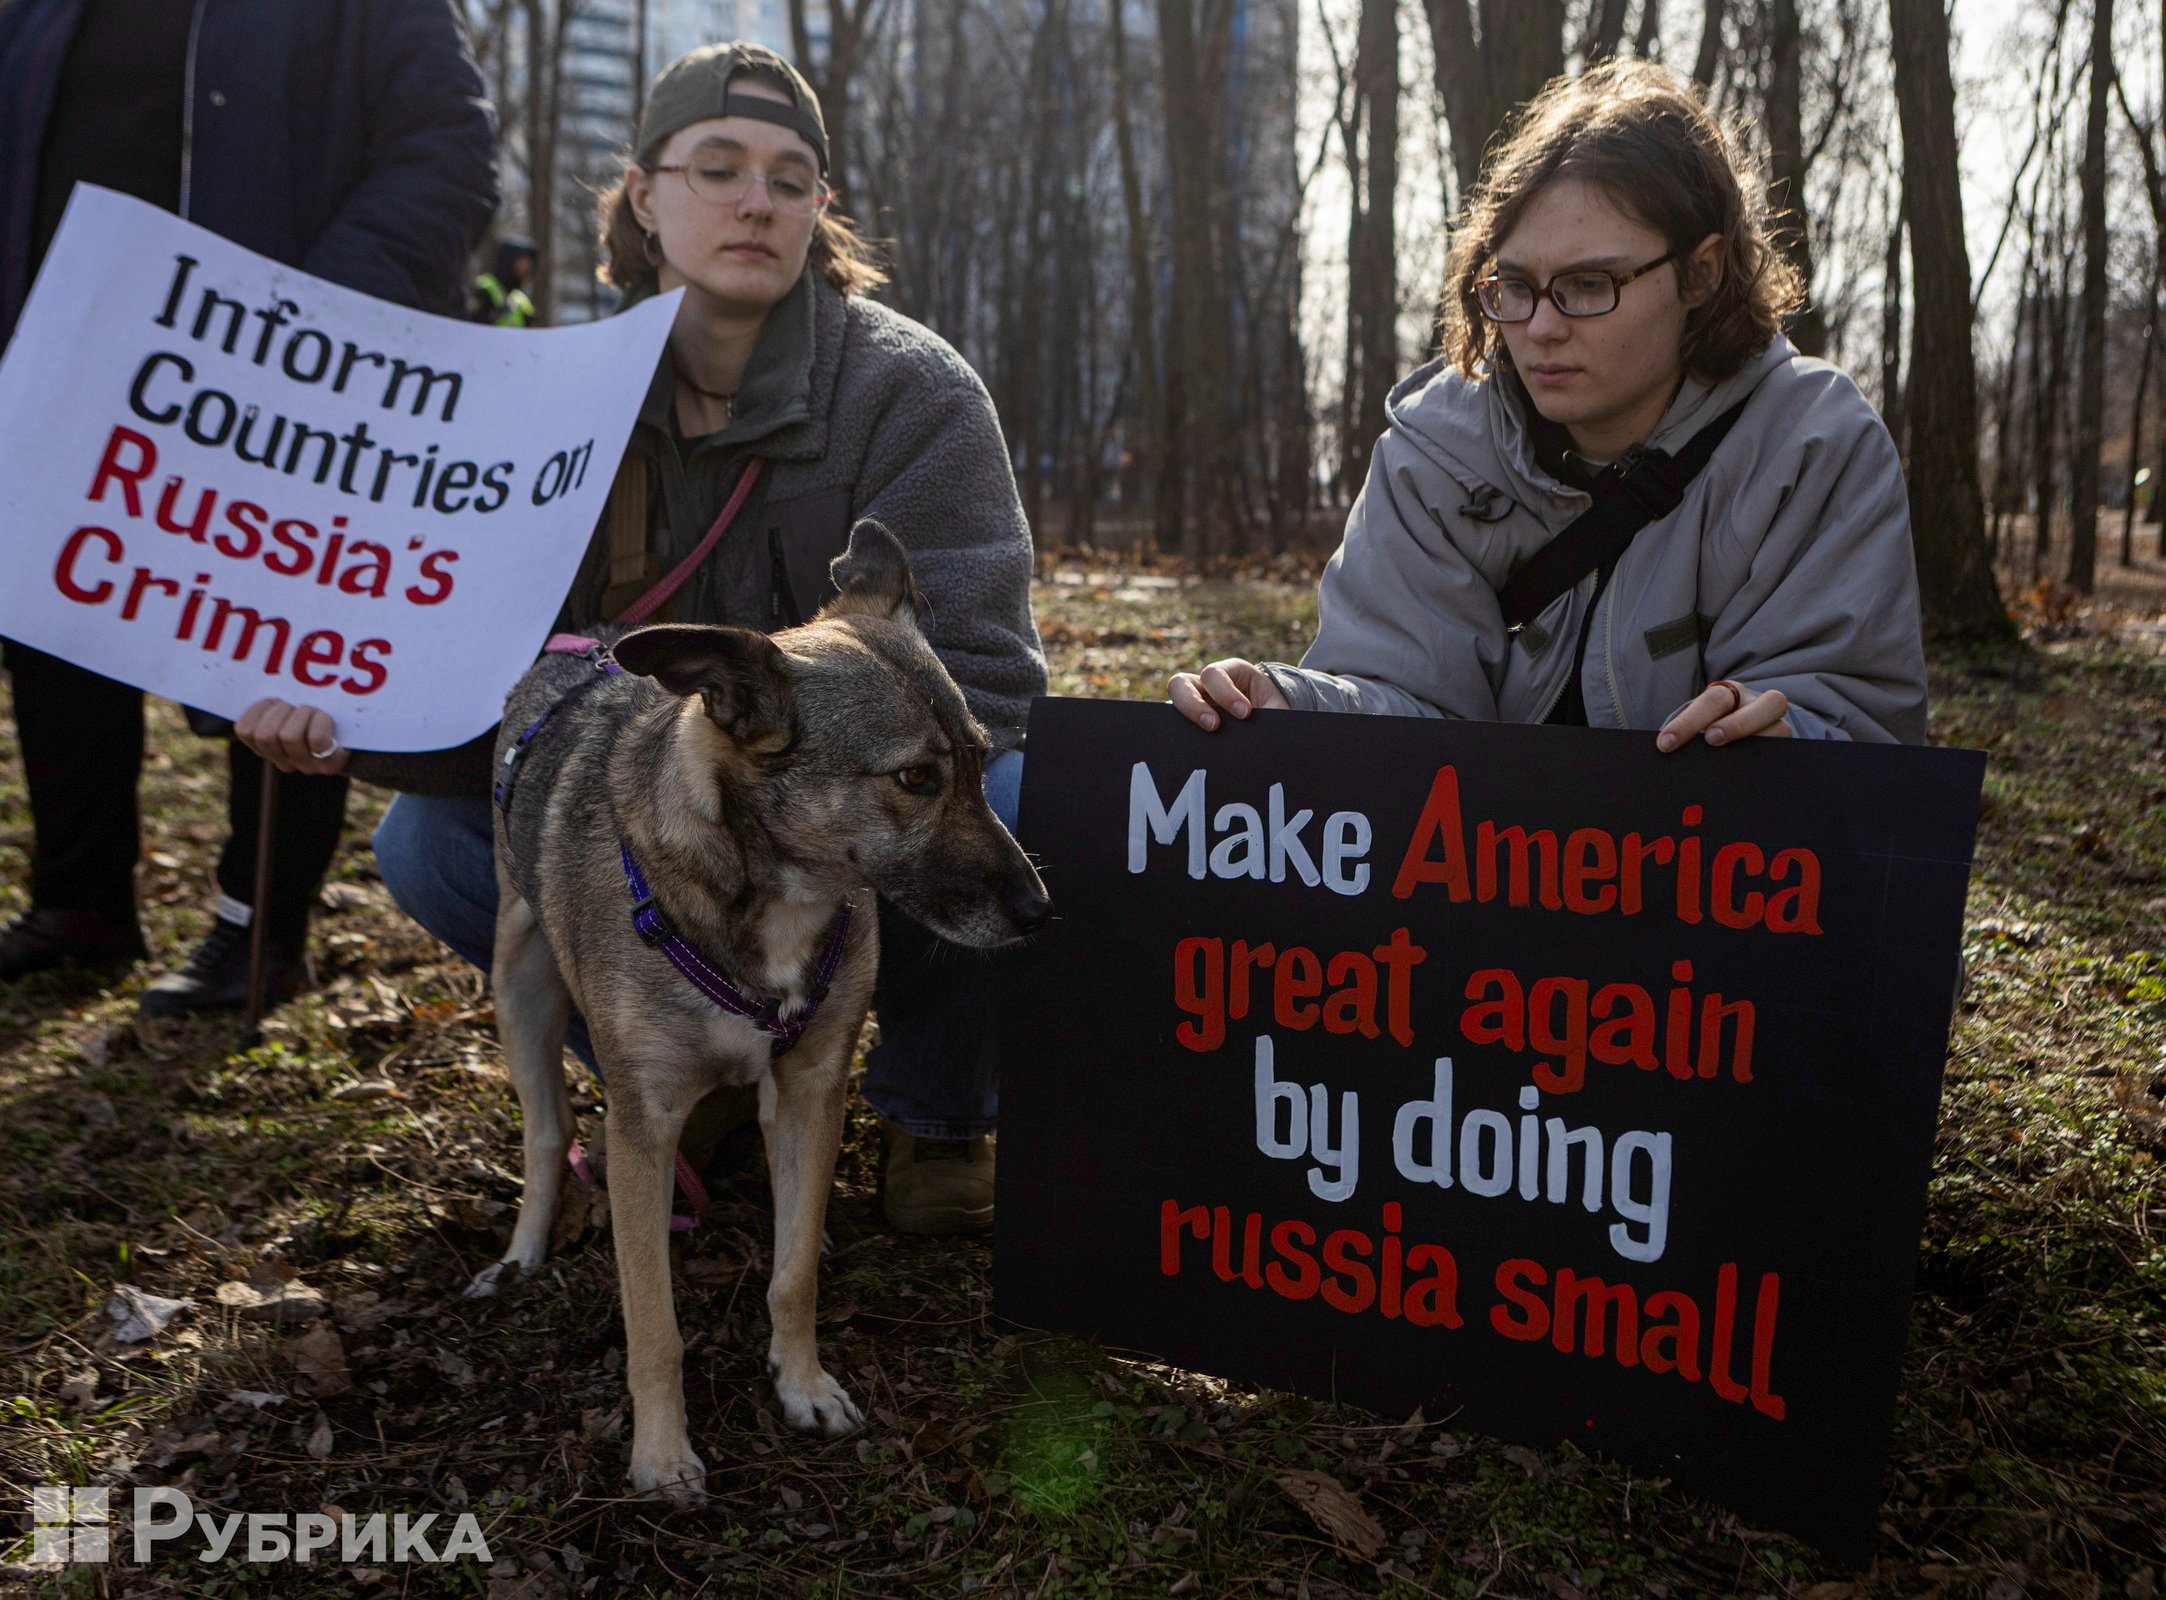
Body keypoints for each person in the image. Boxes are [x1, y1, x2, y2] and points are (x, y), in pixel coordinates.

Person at [237, 43, 1046, 1235]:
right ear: (644, 195)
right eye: (716, 168)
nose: (755, 199)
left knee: (1015, 796)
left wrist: (817, 760)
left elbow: (982, 679)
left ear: (820, 209)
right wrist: (346, 722)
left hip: (855, 810)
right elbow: (485, 671)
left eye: (789, 175)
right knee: (428, 846)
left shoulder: (911, 394)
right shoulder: (560, 395)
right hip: (667, 821)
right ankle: (686, 1062)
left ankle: (939, 1114)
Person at [1171, 61, 1925, 750]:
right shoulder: (1433, 451)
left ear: (1700, 274)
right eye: (1517, 287)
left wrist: (1786, 737)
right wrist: (1293, 704)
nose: (1540, 328)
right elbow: (1400, 710)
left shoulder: (1813, 449)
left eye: (1590, 285)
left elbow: (1860, 729)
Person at [0, 0, 498, 1014]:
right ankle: (79, 903)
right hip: (63, 358)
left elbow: (448, 151)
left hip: (271, 366)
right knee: (51, 609)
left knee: (271, 639)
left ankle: (257, 926)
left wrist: (315, 314)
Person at [471, 234, 537, 326]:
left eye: (529, 262)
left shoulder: (521, 301)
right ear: (508, 261)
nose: (526, 267)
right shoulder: (484, 289)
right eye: (522, 261)